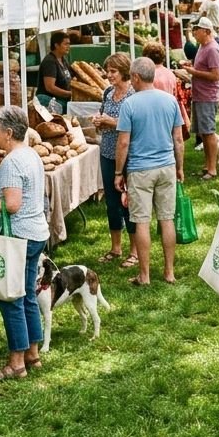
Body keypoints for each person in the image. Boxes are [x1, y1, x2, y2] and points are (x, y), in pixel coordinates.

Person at [0, 106, 50, 381]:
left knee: (11, 297)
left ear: (9, 132)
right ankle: (33, 354)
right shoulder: (30, 154)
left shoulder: (12, 162)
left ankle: (16, 364)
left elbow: (12, 205)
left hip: (18, 235)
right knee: (27, 294)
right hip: (36, 232)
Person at [115, 57, 185, 286]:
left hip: (140, 170)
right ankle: (169, 271)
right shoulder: (170, 100)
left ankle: (144, 275)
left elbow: (123, 143)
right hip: (166, 166)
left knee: (141, 222)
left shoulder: (130, 104)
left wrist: (118, 172)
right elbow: (178, 139)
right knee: (167, 220)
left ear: (135, 77)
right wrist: (180, 166)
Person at [93, 54, 136, 266]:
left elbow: (136, 125)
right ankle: (116, 247)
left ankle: (134, 251)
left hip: (128, 155)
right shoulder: (108, 93)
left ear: (124, 71)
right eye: (107, 71)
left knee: (128, 202)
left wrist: (112, 122)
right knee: (111, 202)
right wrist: (99, 121)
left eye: (113, 72)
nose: (109, 75)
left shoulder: (133, 95)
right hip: (107, 152)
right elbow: (103, 117)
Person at [179, 17, 219, 181]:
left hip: (208, 97)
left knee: (209, 132)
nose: (194, 33)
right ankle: (207, 165)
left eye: (197, 30)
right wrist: (190, 64)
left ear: (207, 31)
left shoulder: (212, 49)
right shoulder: (202, 47)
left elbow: (216, 75)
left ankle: (212, 169)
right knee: (203, 133)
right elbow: (202, 66)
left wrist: (192, 72)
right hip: (199, 94)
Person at [38, 31, 73, 111]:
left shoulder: (63, 60)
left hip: (64, 100)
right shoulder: (50, 62)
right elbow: (50, 87)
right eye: (65, 44)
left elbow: (73, 77)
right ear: (56, 45)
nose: (68, 46)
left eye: (69, 44)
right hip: (51, 102)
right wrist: (69, 94)